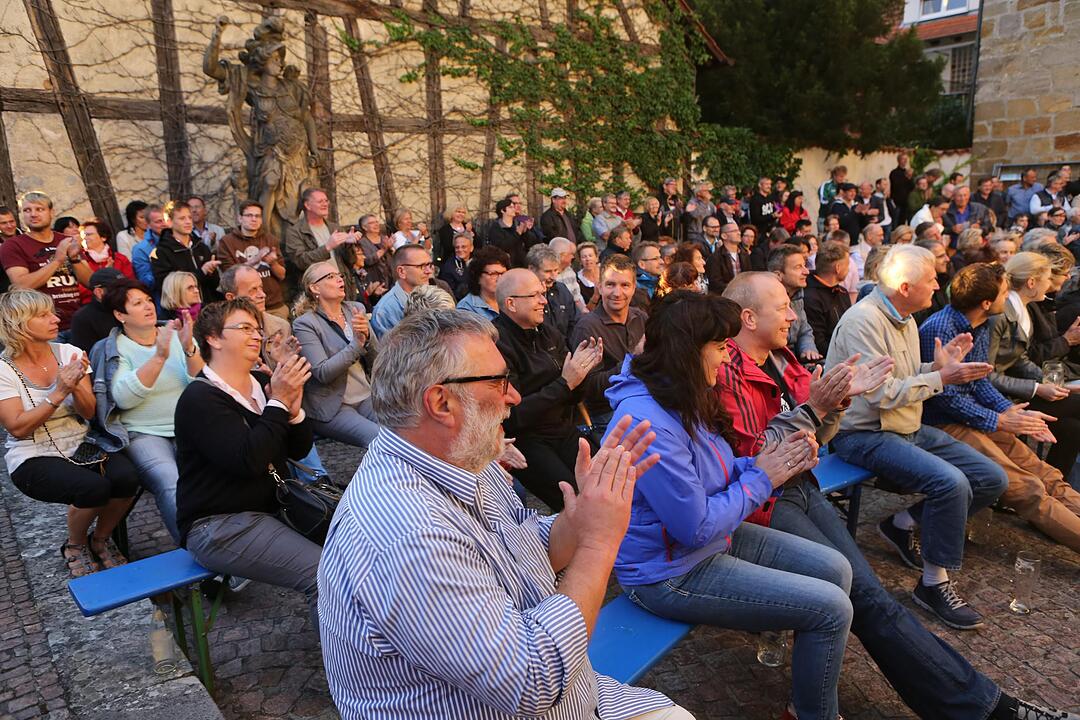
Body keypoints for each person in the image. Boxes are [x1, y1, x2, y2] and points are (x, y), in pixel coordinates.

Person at [719, 272, 1079, 720]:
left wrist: (832, 407)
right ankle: (983, 707)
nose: (794, 314)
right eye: (784, 307)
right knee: (865, 595)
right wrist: (822, 409)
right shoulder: (726, 369)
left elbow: (818, 434)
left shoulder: (783, 357)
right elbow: (751, 459)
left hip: (801, 484)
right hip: (767, 502)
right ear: (749, 317)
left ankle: (976, 701)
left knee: (867, 588)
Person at [319, 309, 688, 719]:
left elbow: (527, 549)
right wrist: (600, 541)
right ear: (441, 402)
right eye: (498, 381)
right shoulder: (406, 532)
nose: (513, 396)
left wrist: (583, 514)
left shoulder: (465, 459)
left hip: (584, 697)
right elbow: (532, 682)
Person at [606, 290, 854, 720]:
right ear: (689, 351)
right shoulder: (650, 421)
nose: (726, 357)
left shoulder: (677, 393)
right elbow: (694, 526)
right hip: (667, 572)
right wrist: (763, 477)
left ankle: (806, 689)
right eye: (720, 347)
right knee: (831, 609)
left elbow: (710, 470)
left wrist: (760, 463)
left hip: (706, 543)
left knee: (836, 569)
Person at [827, 245, 1009, 629]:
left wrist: (936, 367)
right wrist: (940, 378)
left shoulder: (905, 316)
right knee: (952, 484)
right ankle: (932, 584)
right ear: (905, 286)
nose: (939, 285)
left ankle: (903, 522)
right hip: (863, 433)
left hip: (904, 426)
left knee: (992, 478)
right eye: (931, 280)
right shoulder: (864, 320)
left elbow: (906, 376)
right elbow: (879, 393)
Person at [176, 299, 319, 630]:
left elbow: (298, 448)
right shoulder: (200, 399)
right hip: (220, 524)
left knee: (358, 550)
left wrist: (293, 407)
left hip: (270, 511)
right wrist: (279, 401)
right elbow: (249, 461)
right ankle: (353, 674)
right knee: (323, 574)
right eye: (244, 328)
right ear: (213, 338)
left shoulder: (259, 380)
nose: (256, 335)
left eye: (257, 328)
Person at [920, 263, 1080, 555]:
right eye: (1005, 293)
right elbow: (946, 399)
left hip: (974, 419)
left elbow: (980, 381)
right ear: (985, 302)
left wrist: (1011, 413)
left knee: (1046, 473)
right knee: (1027, 488)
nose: (1008, 298)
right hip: (944, 424)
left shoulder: (980, 323)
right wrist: (999, 419)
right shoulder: (941, 329)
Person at [0, 289, 139, 576]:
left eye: (52, 311)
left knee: (128, 478)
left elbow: (88, 413)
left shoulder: (69, 353)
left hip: (80, 442)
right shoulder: (4, 370)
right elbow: (17, 427)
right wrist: (59, 390)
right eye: (43, 315)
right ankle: (75, 545)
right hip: (32, 454)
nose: (55, 317)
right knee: (93, 488)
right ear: (19, 323)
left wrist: (75, 385)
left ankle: (101, 539)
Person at [96, 278, 203, 544]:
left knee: (221, 470)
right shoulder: (114, 348)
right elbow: (122, 398)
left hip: (188, 426)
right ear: (120, 315)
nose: (148, 306)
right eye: (137, 303)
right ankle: (197, 549)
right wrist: (159, 357)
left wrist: (189, 347)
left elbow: (200, 381)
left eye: (147, 299)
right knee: (170, 481)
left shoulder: (172, 333)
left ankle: (235, 542)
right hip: (144, 433)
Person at [493, 269, 602, 509]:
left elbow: (573, 393)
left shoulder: (547, 332)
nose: (544, 301)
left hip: (564, 427)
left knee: (606, 479)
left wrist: (582, 373)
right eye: (535, 296)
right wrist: (566, 384)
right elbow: (514, 415)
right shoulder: (497, 344)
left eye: (543, 294)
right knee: (575, 501)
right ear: (511, 303)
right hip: (528, 439)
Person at [989, 252, 1080, 476]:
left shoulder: (1023, 308)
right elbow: (987, 373)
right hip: (1001, 396)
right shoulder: (1002, 314)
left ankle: (1054, 485)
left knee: (1072, 428)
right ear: (1031, 283)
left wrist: (1048, 383)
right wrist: (1039, 388)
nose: (1051, 285)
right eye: (1048, 278)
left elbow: (1019, 359)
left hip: (1020, 387)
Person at [292, 262, 380, 448]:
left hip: (365, 394)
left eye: (339, 275)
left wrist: (368, 336)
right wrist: (357, 344)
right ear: (314, 287)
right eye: (330, 276)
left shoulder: (355, 309)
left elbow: (377, 358)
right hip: (332, 405)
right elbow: (323, 372)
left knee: (402, 431)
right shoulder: (305, 324)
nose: (340, 279)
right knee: (377, 438)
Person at [569, 255, 647, 427]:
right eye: (610, 284)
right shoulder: (587, 328)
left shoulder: (640, 317)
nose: (617, 293)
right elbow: (588, 389)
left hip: (642, 399)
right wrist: (633, 359)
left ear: (634, 288)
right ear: (600, 287)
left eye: (625, 285)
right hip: (607, 411)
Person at [1, 192, 92, 336]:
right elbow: (20, 285)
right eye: (27, 210)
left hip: (77, 322)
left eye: (39, 209)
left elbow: (90, 282)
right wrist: (57, 260)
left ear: (51, 212)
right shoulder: (13, 245)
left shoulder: (66, 240)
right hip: (42, 328)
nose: (33, 214)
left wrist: (74, 259)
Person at [216, 200, 288, 320]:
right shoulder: (227, 242)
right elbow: (229, 277)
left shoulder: (270, 239)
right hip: (244, 308)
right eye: (249, 215)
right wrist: (255, 260)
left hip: (274, 307)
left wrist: (273, 263)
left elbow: (282, 275)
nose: (254, 219)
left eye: (258, 216)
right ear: (240, 218)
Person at [283, 188, 359, 299]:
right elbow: (300, 261)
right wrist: (327, 247)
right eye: (320, 201)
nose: (325, 204)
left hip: (342, 287)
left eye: (326, 201)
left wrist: (349, 245)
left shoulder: (335, 228)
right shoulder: (295, 232)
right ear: (308, 205)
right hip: (317, 292)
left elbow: (351, 261)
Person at [219, 265, 291, 369]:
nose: (262, 295)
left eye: (261, 287)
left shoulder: (281, 327)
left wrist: (282, 365)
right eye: (253, 290)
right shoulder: (222, 334)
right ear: (231, 297)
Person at [150, 202, 222, 304]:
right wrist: (202, 272)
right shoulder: (161, 252)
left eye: (190, 218)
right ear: (169, 222)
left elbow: (215, 284)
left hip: (208, 308)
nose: (188, 222)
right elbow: (167, 287)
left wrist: (211, 272)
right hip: (182, 310)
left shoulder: (201, 247)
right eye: (182, 218)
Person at [768, 245, 820, 363]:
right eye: (798, 267)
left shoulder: (797, 296)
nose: (806, 271)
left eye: (804, 265)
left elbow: (804, 330)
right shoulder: (765, 303)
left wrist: (808, 349)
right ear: (778, 275)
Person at [371, 245, 435, 338]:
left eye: (429, 265)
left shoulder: (433, 296)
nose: (429, 271)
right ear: (401, 271)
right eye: (422, 266)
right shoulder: (385, 311)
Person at [802, 241, 852, 358]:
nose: (849, 269)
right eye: (848, 264)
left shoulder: (842, 292)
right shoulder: (810, 297)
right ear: (838, 268)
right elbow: (819, 342)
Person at [76, 218, 135, 307]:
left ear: (103, 237)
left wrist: (109, 276)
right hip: (91, 305)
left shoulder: (119, 259)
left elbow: (130, 284)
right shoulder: (80, 261)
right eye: (83, 235)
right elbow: (80, 290)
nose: (85, 238)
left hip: (121, 302)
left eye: (89, 234)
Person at [528, 244, 579, 343]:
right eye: (547, 271)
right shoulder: (523, 295)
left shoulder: (562, 289)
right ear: (531, 269)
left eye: (556, 271)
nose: (553, 276)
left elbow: (574, 322)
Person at [69, 268, 124, 353]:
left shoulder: (128, 308)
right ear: (99, 292)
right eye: (117, 289)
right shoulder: (83, 318)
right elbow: (86, 356)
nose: (124, 293)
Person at [456, 245, 509, 322]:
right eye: (493, 274)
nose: (500, 278)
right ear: (478, 277)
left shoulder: (511, 301)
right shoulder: (466, 309)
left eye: (503, 273)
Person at [702, 221, 749, 296]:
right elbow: (715, 283)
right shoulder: (715, 258)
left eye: (738, 230)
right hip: (724, 297)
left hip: (744, 295)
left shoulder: (744, 254)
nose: (739, 233)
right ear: (724, 236)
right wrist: (735, 289)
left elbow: (749, 275)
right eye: (734, 231)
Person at [130, 204, 166, 289]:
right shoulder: (140, 249)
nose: (164, 224)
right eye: (158, 221)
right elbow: (146, 282)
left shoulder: (179, 240)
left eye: (165, 220)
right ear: (148, 224)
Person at [549, 236, 586, 311]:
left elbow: (577, 299)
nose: (573, 257)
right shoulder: (547, 276)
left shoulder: (570, 271)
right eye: (571, 254)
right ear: (562, 256)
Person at [489, 197, 527, 267]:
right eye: (510, 207)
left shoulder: (518, 223)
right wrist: (517, 234)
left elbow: (529, 243)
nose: (514, 209)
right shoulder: (496, 227)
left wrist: (526, 232)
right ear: (503, 211)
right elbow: (501, 246)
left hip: (521, 263)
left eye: (513, 207)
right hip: (505, 264)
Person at [439, 231, 473, 300]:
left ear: (471, 248)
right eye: (457, 247)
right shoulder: (448, 267)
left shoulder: (477, 262)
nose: (460, 250)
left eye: (464, 247)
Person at [577, 242, 601, 306]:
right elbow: (585, 310)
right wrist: (595, 296)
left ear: (597, 258)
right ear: (580, 261)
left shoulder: (607, 272)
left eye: (590, 255)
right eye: (584, 257)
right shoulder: (577, 280)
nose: (588, 259)